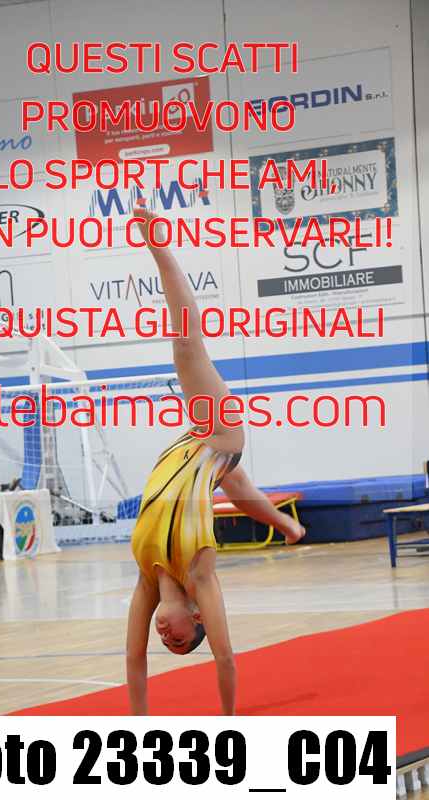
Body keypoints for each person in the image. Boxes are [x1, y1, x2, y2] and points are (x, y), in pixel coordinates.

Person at [126, 208, 305, 716]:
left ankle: (287, 525)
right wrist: (228, 724)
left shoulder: (145, 578)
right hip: (219, 437)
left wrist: (139, 727)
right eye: (181, 641)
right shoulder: (200, 571)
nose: (167, 637)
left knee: (236, 485)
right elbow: (224, 659)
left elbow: (133, 659)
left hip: (198, 454)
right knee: (187, 349)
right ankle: (160, 246)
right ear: (199, 617)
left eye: (166, 643)